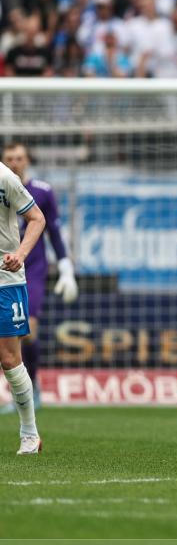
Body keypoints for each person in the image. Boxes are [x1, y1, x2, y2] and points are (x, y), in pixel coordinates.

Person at [1, 143, 77, 414]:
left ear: (27, 161)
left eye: (19, 158)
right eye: (9, 158)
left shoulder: (42, 192)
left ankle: (32, 389)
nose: (14, 163)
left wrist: (66, 267)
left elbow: (53, 230)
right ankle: (17, 393)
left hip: (31, 269)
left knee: (28, 330)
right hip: (2, 267)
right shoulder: (2, 187)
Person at [0, 154, 47, 454]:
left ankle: (30, 433)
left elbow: (37, 218)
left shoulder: (5, 179)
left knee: (8, 357)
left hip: (5, 277)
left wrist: (21, 253)